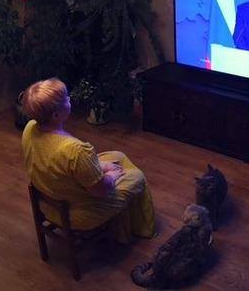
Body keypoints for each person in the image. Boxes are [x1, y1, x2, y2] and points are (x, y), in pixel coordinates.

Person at [20, 77, 156, 243]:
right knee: (137, 176)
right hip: (78, 213)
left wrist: (101, 166)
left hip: (48, 202)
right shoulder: (75, 150)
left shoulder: (30, 128)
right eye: (66, 99)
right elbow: (100, 191)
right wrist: (111, 175)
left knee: (118, 156)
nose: (70, 99)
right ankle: (137, 230)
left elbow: (62, 164)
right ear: (56, 114)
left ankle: (124, 228)